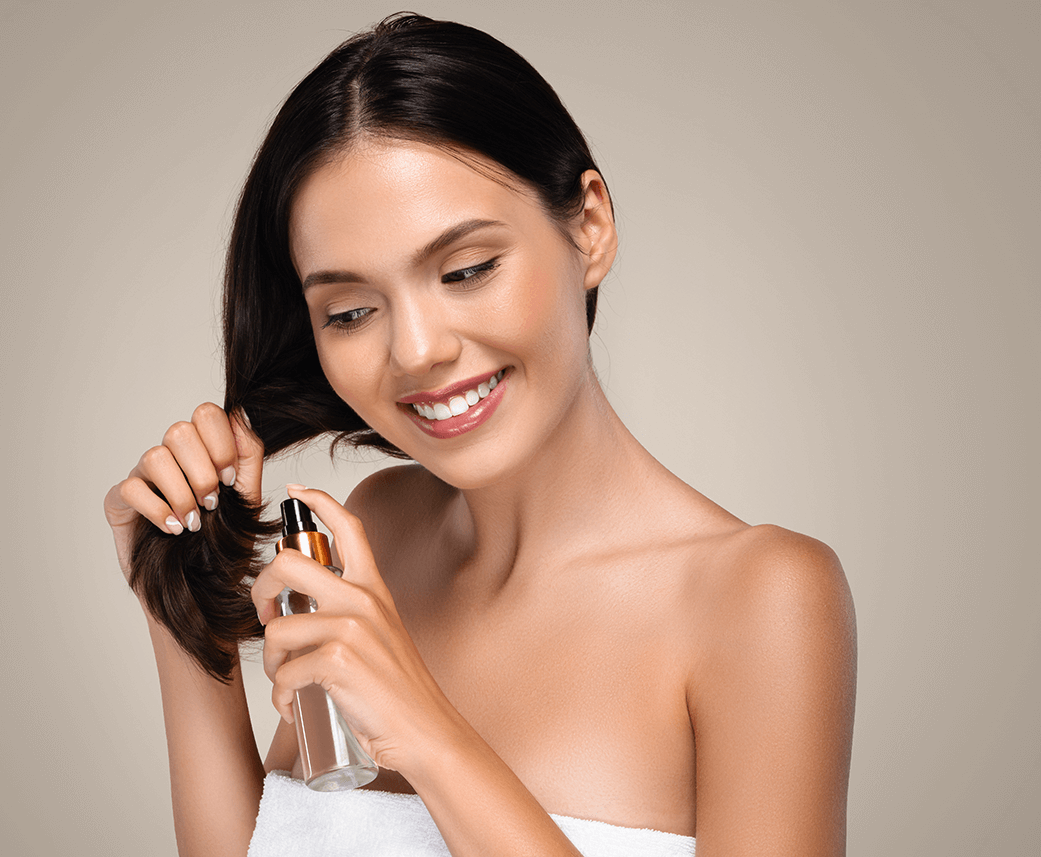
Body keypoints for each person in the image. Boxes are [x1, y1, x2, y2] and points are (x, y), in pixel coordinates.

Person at [103, 13, 856, 856]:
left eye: (466, 270)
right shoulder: (376, 531)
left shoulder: (760, 599)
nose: (417, 349)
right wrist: (182, 619)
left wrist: (422, 723)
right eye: (350, 311)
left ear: (590, 226)